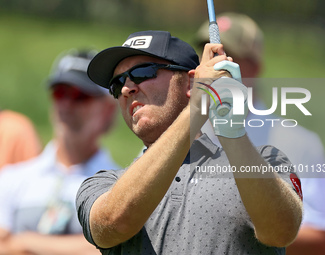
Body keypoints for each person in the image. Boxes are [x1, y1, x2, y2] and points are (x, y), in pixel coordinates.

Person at [76, 30, 303, 254]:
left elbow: (281, 232)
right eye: (117, 84)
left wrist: (230, 131)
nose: (127, 88)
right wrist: (197, 107)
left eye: (143, 72)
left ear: (191, 82)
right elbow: (113, 224)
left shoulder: (266, 160)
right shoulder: (103, 184)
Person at [195, 12, 325, 254]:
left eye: (226, 56)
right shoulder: (181, 135)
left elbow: (323, 239)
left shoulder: (299, 142)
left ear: (254, 66)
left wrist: (229, 232)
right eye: (208, 55)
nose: (214, 66)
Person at [0, 49, 120, 255]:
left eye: (80, 96)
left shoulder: (118, 187)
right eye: (59, 92)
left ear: (107, 109)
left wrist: (26, 242)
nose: (66, 104)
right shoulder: (13, 178)